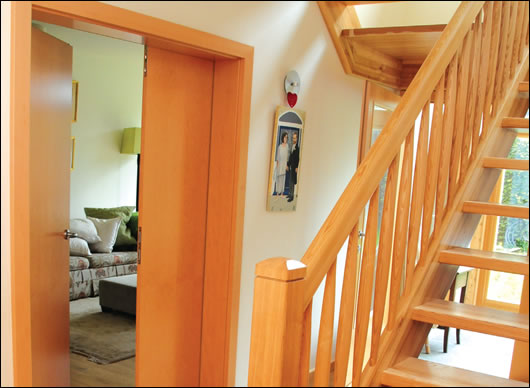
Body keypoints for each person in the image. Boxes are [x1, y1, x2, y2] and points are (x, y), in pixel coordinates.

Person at [275, 132, 289, 196]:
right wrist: (277, 166)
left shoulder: (287, 146)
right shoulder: (279, 147)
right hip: (279, 165)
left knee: (283, 179)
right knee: (278, 179)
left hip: (284, 165)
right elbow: (278, 157)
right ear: (282, 138)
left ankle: (282, 193)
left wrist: (287, 165)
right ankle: (277, 193)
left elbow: (287, 157)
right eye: (285, 137)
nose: (286, 138)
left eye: (287, 137)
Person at [287, 132, 299, 202]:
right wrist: (288, 164)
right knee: (290, 180)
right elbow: (291, 157)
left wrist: (297, 167)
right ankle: (289, 193)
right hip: (291, 166)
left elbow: (297, 158)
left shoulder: (297, 148)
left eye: (295, 138)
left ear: (297, 138)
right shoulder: (292, 146)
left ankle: (292, 196)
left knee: (292, 181)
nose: (293, 139)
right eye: (293, 138)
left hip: (294, 167)